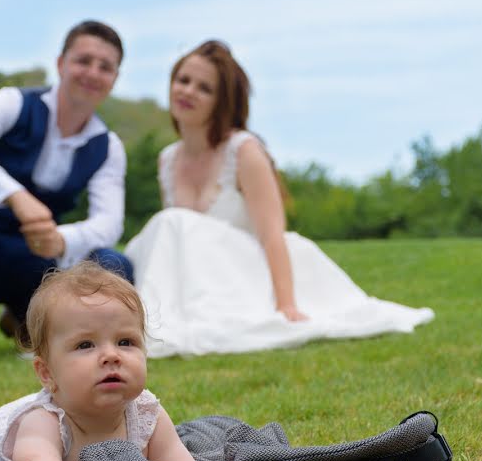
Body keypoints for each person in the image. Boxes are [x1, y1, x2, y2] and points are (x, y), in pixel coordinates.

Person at [124, 40, 434, 357]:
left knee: (171, 221)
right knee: (168, 225)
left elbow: (273, 234)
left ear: (222, 102)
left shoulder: (244, 151)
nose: (187, 91)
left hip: (249, 270)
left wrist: (286, 304)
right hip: (200, 283)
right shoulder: (167, 160)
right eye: (183, 80)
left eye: (204, 88)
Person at [0, 20, 133, 366]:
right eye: (83, 61)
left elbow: (109, 223)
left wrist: (61, 240)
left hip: (35, 259)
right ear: (60, 63)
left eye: (105, 67)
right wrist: (14, 194)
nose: (92, 73)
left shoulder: (108, 147)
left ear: (114, 78)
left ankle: (27, 318)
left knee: (116, 264)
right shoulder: (14, 103)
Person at [0, 262, 203, 461]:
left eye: (125, 342)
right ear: (47, 373)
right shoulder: (45, 421)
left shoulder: (146, 412)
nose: (111, 355)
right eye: (86, 345)